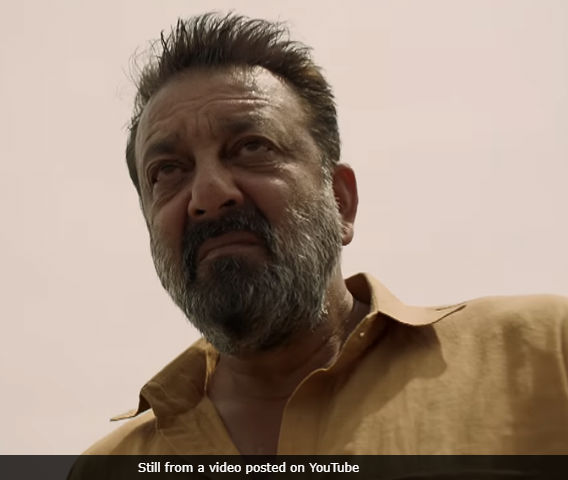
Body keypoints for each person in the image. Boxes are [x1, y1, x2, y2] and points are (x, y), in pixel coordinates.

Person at [81, 13, 568, 455]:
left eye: (252, 147)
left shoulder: (543, 354)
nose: (207, 194)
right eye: (167, 171)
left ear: (341, 200)